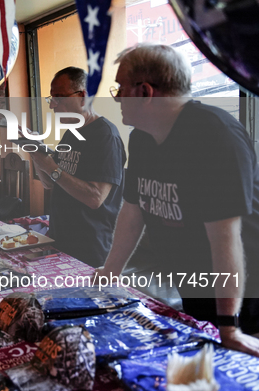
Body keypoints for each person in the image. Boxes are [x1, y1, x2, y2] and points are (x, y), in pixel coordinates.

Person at [96, 43, 259, 356]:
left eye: (120, 88)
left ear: (144, 92)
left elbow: (226, 240)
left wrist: (229, 325)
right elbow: (133, 214)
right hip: (196, 287)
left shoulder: (214, 134)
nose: (116, 98)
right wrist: (110, 271)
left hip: (243, 302)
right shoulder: (141, 137)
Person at [29, 67, 126, 267]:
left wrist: (52, 167)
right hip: (60, 241)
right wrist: (34, 153)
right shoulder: (71, 133)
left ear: (82, 97)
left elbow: (95, 198)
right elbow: (49, 182)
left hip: (90, 249)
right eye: (51, 98)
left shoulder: (105, 135)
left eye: (60, 98)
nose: (53, 105)